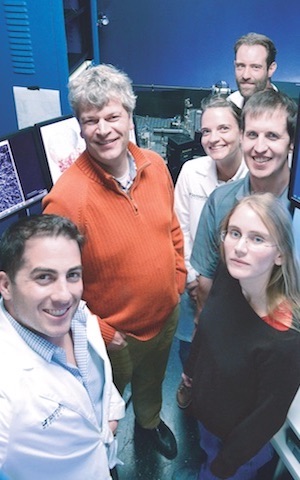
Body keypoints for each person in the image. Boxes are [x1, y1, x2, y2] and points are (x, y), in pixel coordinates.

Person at [43, 63, 186, 460]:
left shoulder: (155, 166)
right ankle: (102, 459)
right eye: (91, 121)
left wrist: (176, 282)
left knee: (152, 383)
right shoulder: (67, 199)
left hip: (165, 316)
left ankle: (149, 425)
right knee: (100, 408)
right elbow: (56, 290)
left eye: (112, 116)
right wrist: (104, 333)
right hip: (115, 340)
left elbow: (172, 229)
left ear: (129, 115)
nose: (103, 129)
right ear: (80, 126)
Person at [176, 193, 300, 480]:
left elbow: (266, 418)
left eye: (257, 239)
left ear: (280, 254)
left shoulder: (285, 338)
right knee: (207, 453)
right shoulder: (231, 276)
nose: (239, 248)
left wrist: (225, 465)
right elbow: (207, 329)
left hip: (236, 444)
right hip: (208, 417)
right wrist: (191, 372)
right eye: (234, 233)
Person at [0, 214, 125, 480]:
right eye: (44, 277)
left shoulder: (79, 317)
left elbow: (95, 379)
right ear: (6, 285)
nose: (64, 295)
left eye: (73, 275)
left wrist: (109, 417)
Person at [191, 89, 297, 318]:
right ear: (241, 137)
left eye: (272, 136)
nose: (259, 148)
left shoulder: (296, 207)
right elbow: (206, 282)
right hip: (233, 327)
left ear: (291, 143)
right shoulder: (220, 202)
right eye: (252, 135)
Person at [174, 95, 248, 408]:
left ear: (242, 131)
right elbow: (180, 230)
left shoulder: (255, 175)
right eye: (206, 131)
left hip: (239, 289)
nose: (213, 138)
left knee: (232, 352)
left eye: (223, 128)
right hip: (194, 282)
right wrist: (194, 278)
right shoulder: (191, 172)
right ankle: (189, 382)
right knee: (191, 345)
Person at [227, 32, 277, 109]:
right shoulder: (230, 104)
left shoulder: (289, 112)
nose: (245, 75)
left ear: (271, 69)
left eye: (255, 67)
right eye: (240, 66)